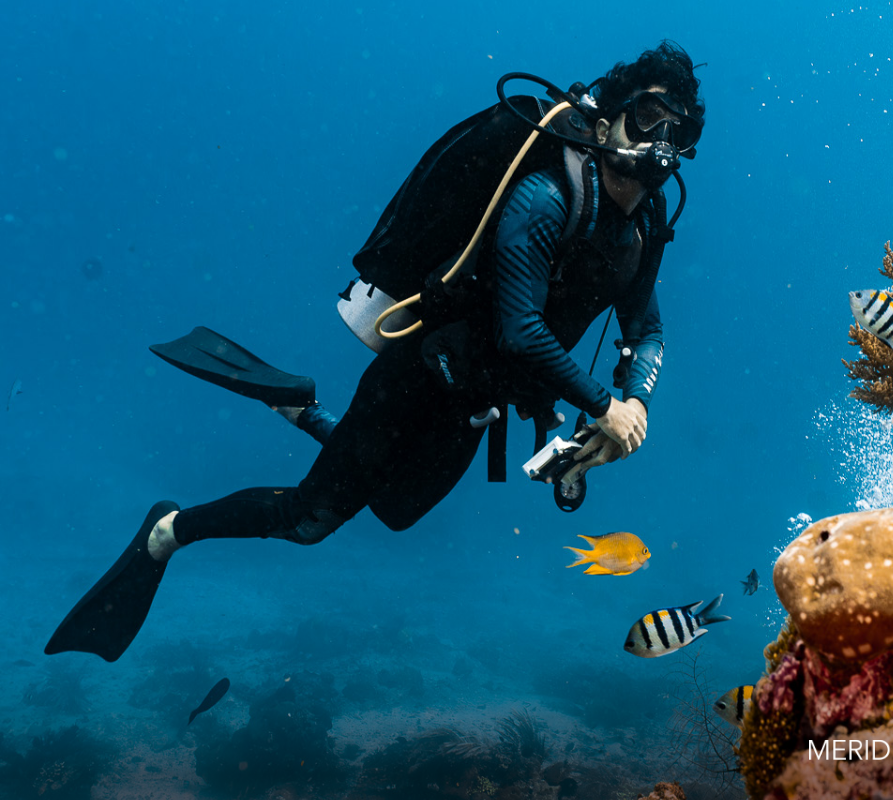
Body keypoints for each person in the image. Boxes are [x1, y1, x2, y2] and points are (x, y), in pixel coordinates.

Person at [46, 41, 705, 662]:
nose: (658, 142)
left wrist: (635, 400)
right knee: (308, 519)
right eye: (647, 116)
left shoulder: (644, 226)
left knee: (393, 513)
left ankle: (302, 411)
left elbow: (645, 329)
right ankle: (167, 533)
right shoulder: (546, 197)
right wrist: (601, 404)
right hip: (417, 376)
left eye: (676, 132)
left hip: (478, 402)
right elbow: (520, 330)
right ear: (606, 118)